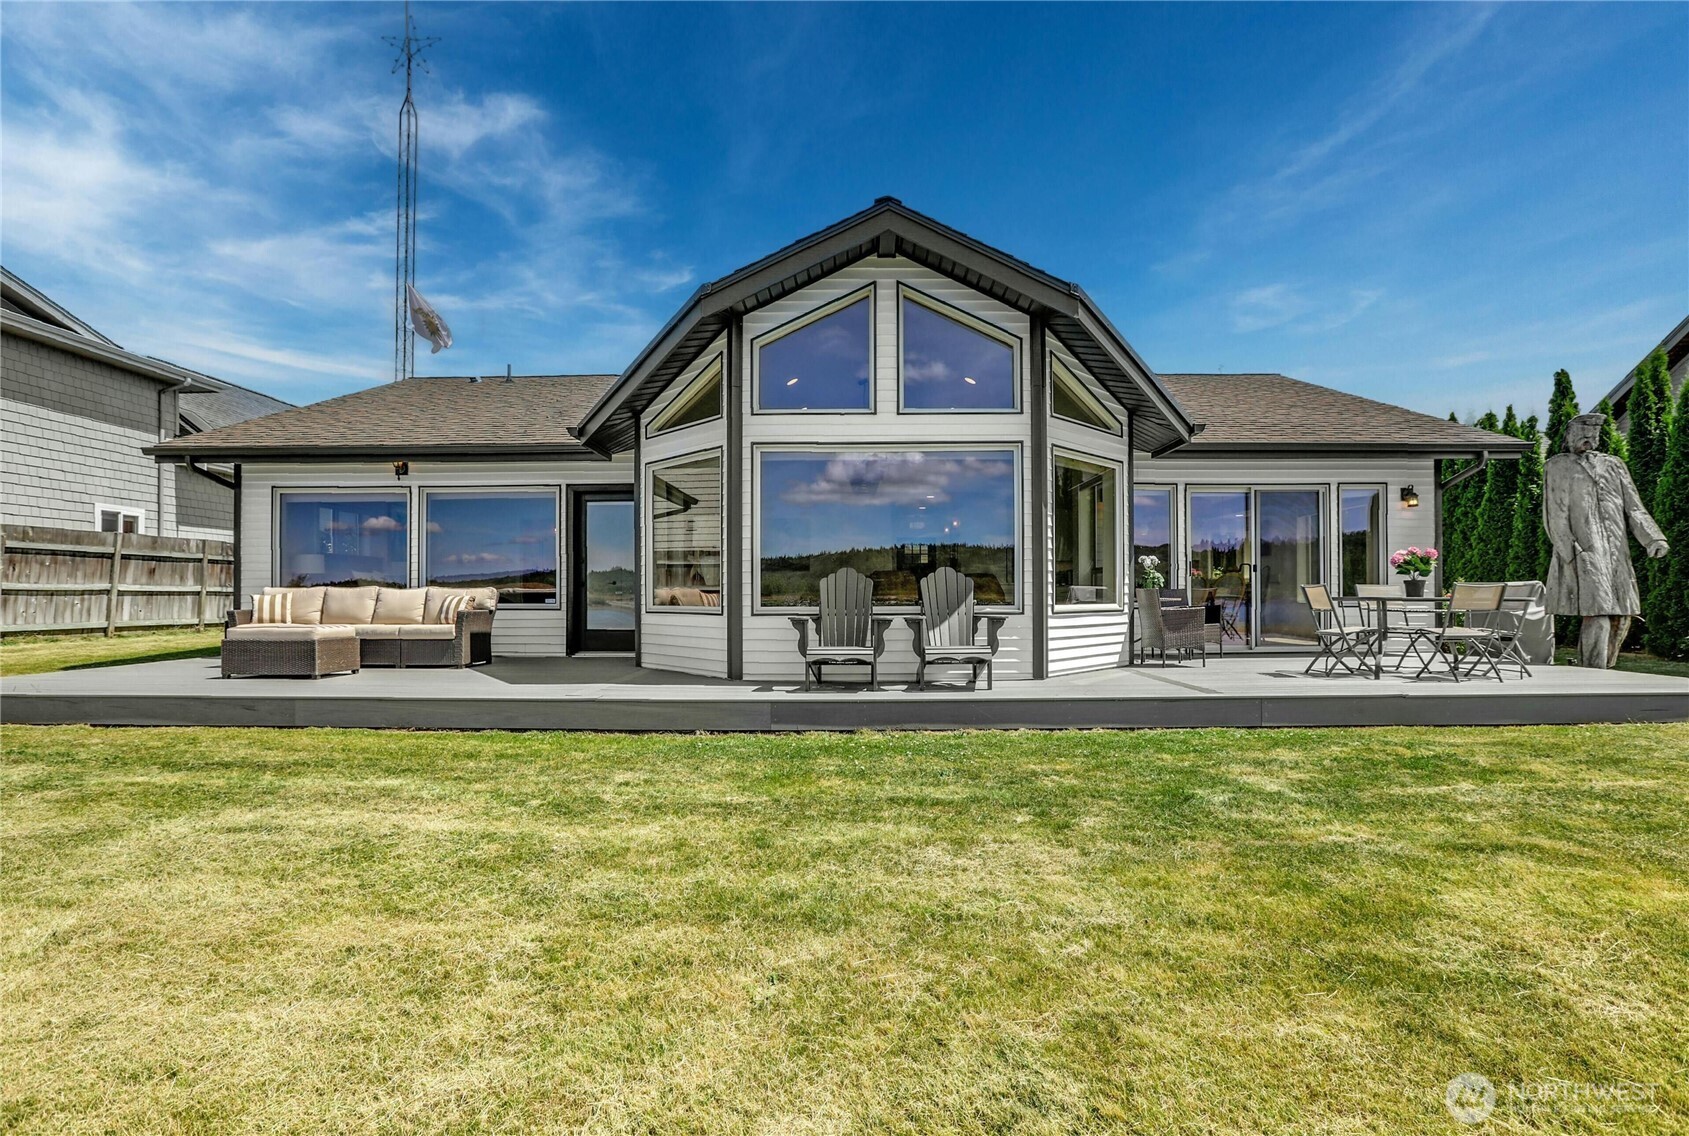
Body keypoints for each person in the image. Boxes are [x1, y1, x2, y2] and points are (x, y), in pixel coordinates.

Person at [1543, 413, 1669, 668]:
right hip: (1584, 551)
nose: (1589, 439)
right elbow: (1554, 513)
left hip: (1616, 553)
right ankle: (1592, 673)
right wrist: (1572, 553)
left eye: (1594, 434)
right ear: (1569, 436)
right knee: (1597, 614)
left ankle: (1604, 669)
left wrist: (1653, 538)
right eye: (1582, 433)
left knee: (1622, 617)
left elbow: (1634, 508)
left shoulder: (1614, 465)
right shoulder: (1558, 466)